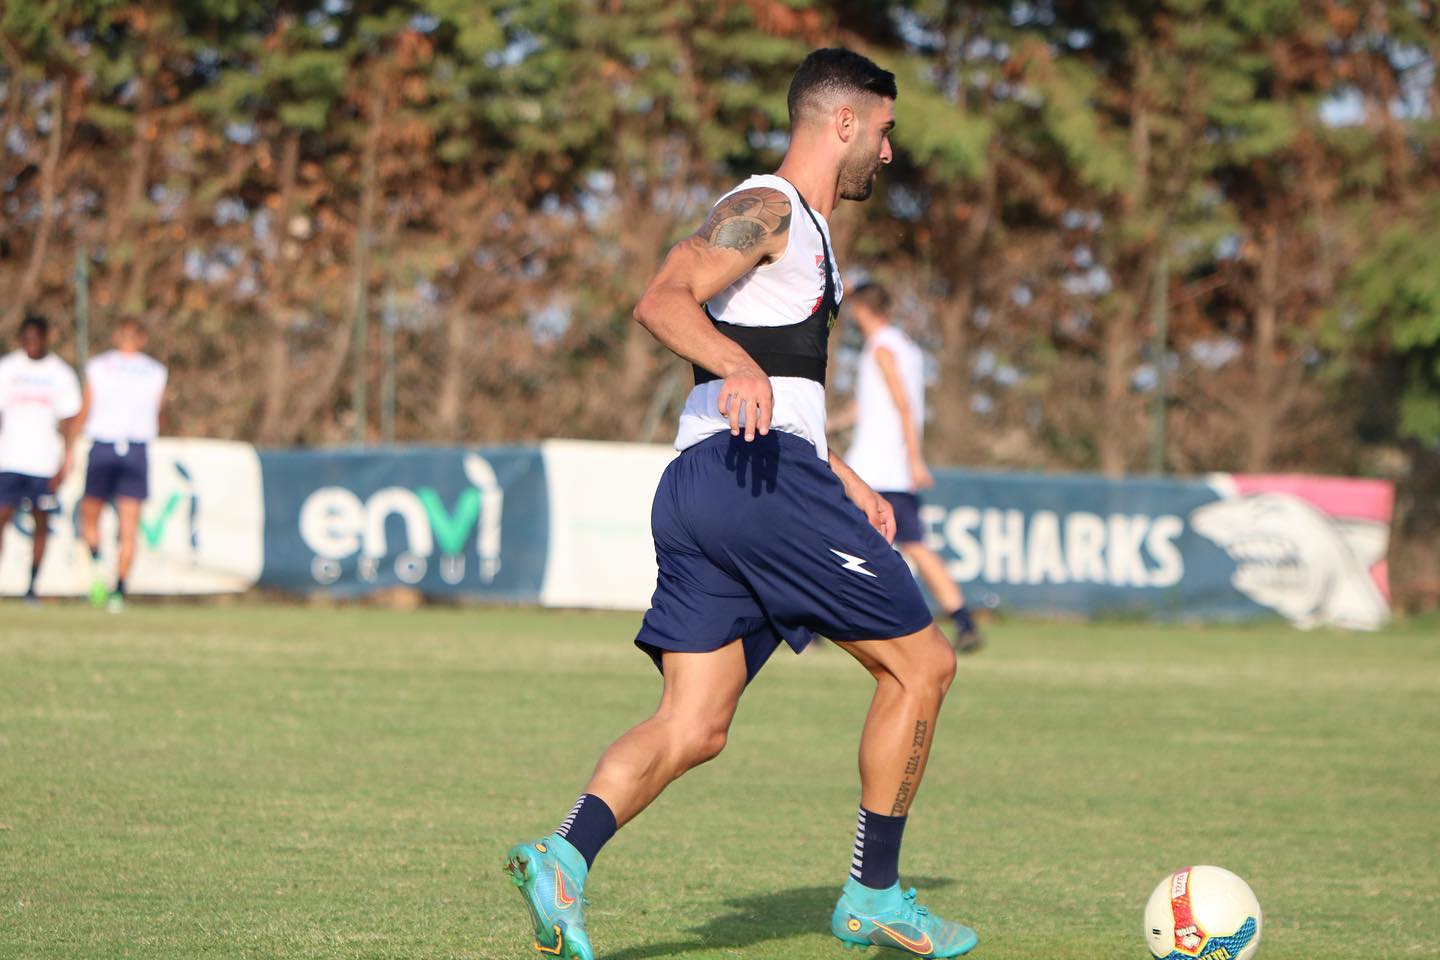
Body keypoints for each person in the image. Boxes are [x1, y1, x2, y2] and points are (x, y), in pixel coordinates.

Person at [504, 49, 977, 960]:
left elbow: (783, 382)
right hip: (755, 479)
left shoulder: (810, 235)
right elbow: (662, 298)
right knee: (923, 666)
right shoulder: (769, 206)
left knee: (695, 724)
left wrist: (841, 473)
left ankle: (563, 857)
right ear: (844, 122)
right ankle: (873, 895)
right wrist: (735, 365)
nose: (888, 152)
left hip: (709, 484)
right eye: (883, 131)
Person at [843, 283, 983, 652]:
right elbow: (868, 407)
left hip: (875, 469)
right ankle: (964, 621)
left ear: (861, 310)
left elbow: (903, 404)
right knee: (915, 545)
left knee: (838, 540)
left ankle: (814, 625)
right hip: (889, 468)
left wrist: (915, 459)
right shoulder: (906, 346)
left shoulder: (881, 348)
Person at [78, 316, 167, 612]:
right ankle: (118, 591)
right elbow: (158, 413)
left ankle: (97, 569)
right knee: (129, 529)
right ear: (142, 339)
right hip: (136, 450)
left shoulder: (98, 366)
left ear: (117, 336)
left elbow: (85, 410)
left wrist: (70, 443)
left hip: (103, 448)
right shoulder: (155, 371)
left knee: (90, 520)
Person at [0, 313, 83, 603]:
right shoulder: (7, 368)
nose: (31, 343)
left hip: (44, 462)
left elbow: (71, 420)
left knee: (41, 523)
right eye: (26, 338)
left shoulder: (61, 373)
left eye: (36, 338)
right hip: (8, 460)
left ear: (47, 338)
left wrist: (67, 457)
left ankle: (32, 587)